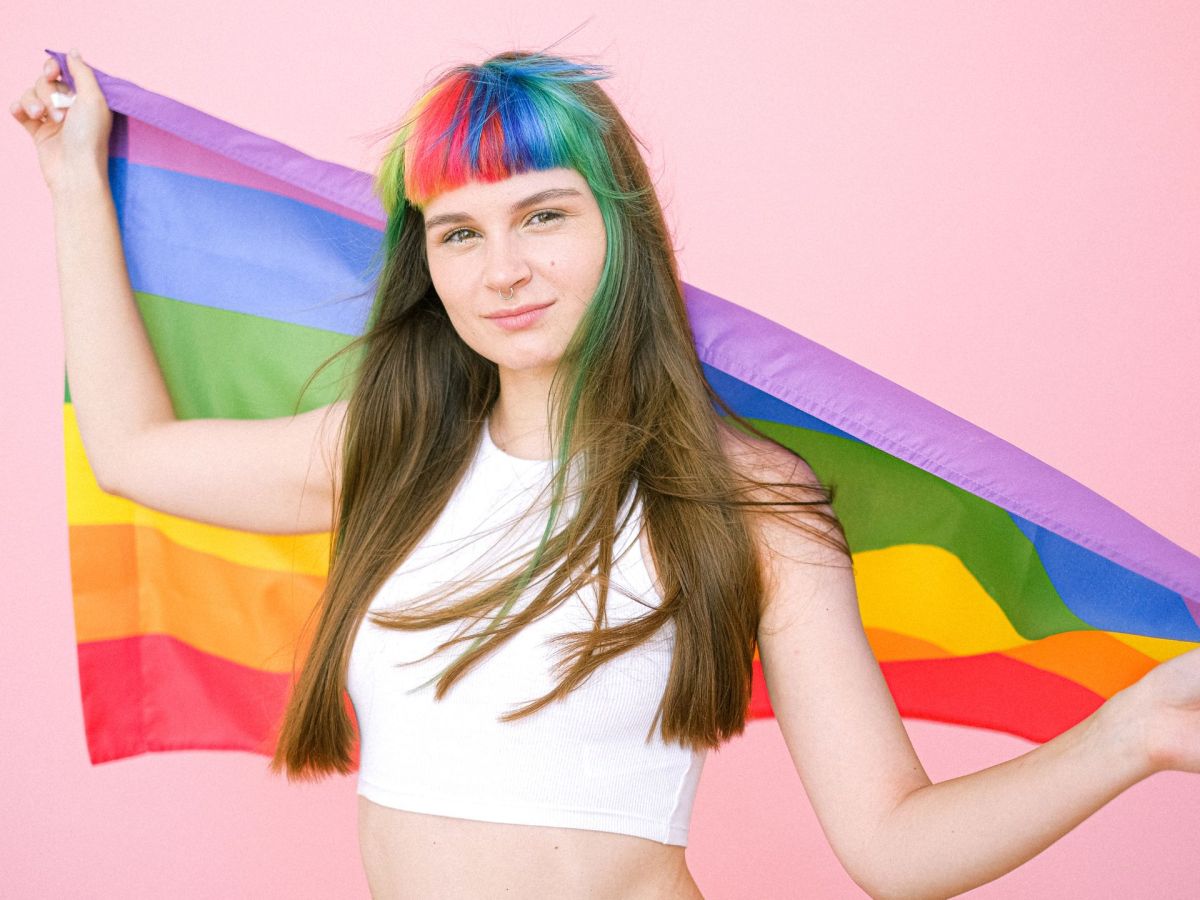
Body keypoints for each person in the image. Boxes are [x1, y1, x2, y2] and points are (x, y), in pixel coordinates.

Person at [13, 46, 1200, 900]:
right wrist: (75, 182)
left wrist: (1130, 736)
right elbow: (130, 453)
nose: (502, 270)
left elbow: (892, 848)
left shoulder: (749, 499)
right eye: (460, 232)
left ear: (622, 230)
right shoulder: (388, 456)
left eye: (545, 216)